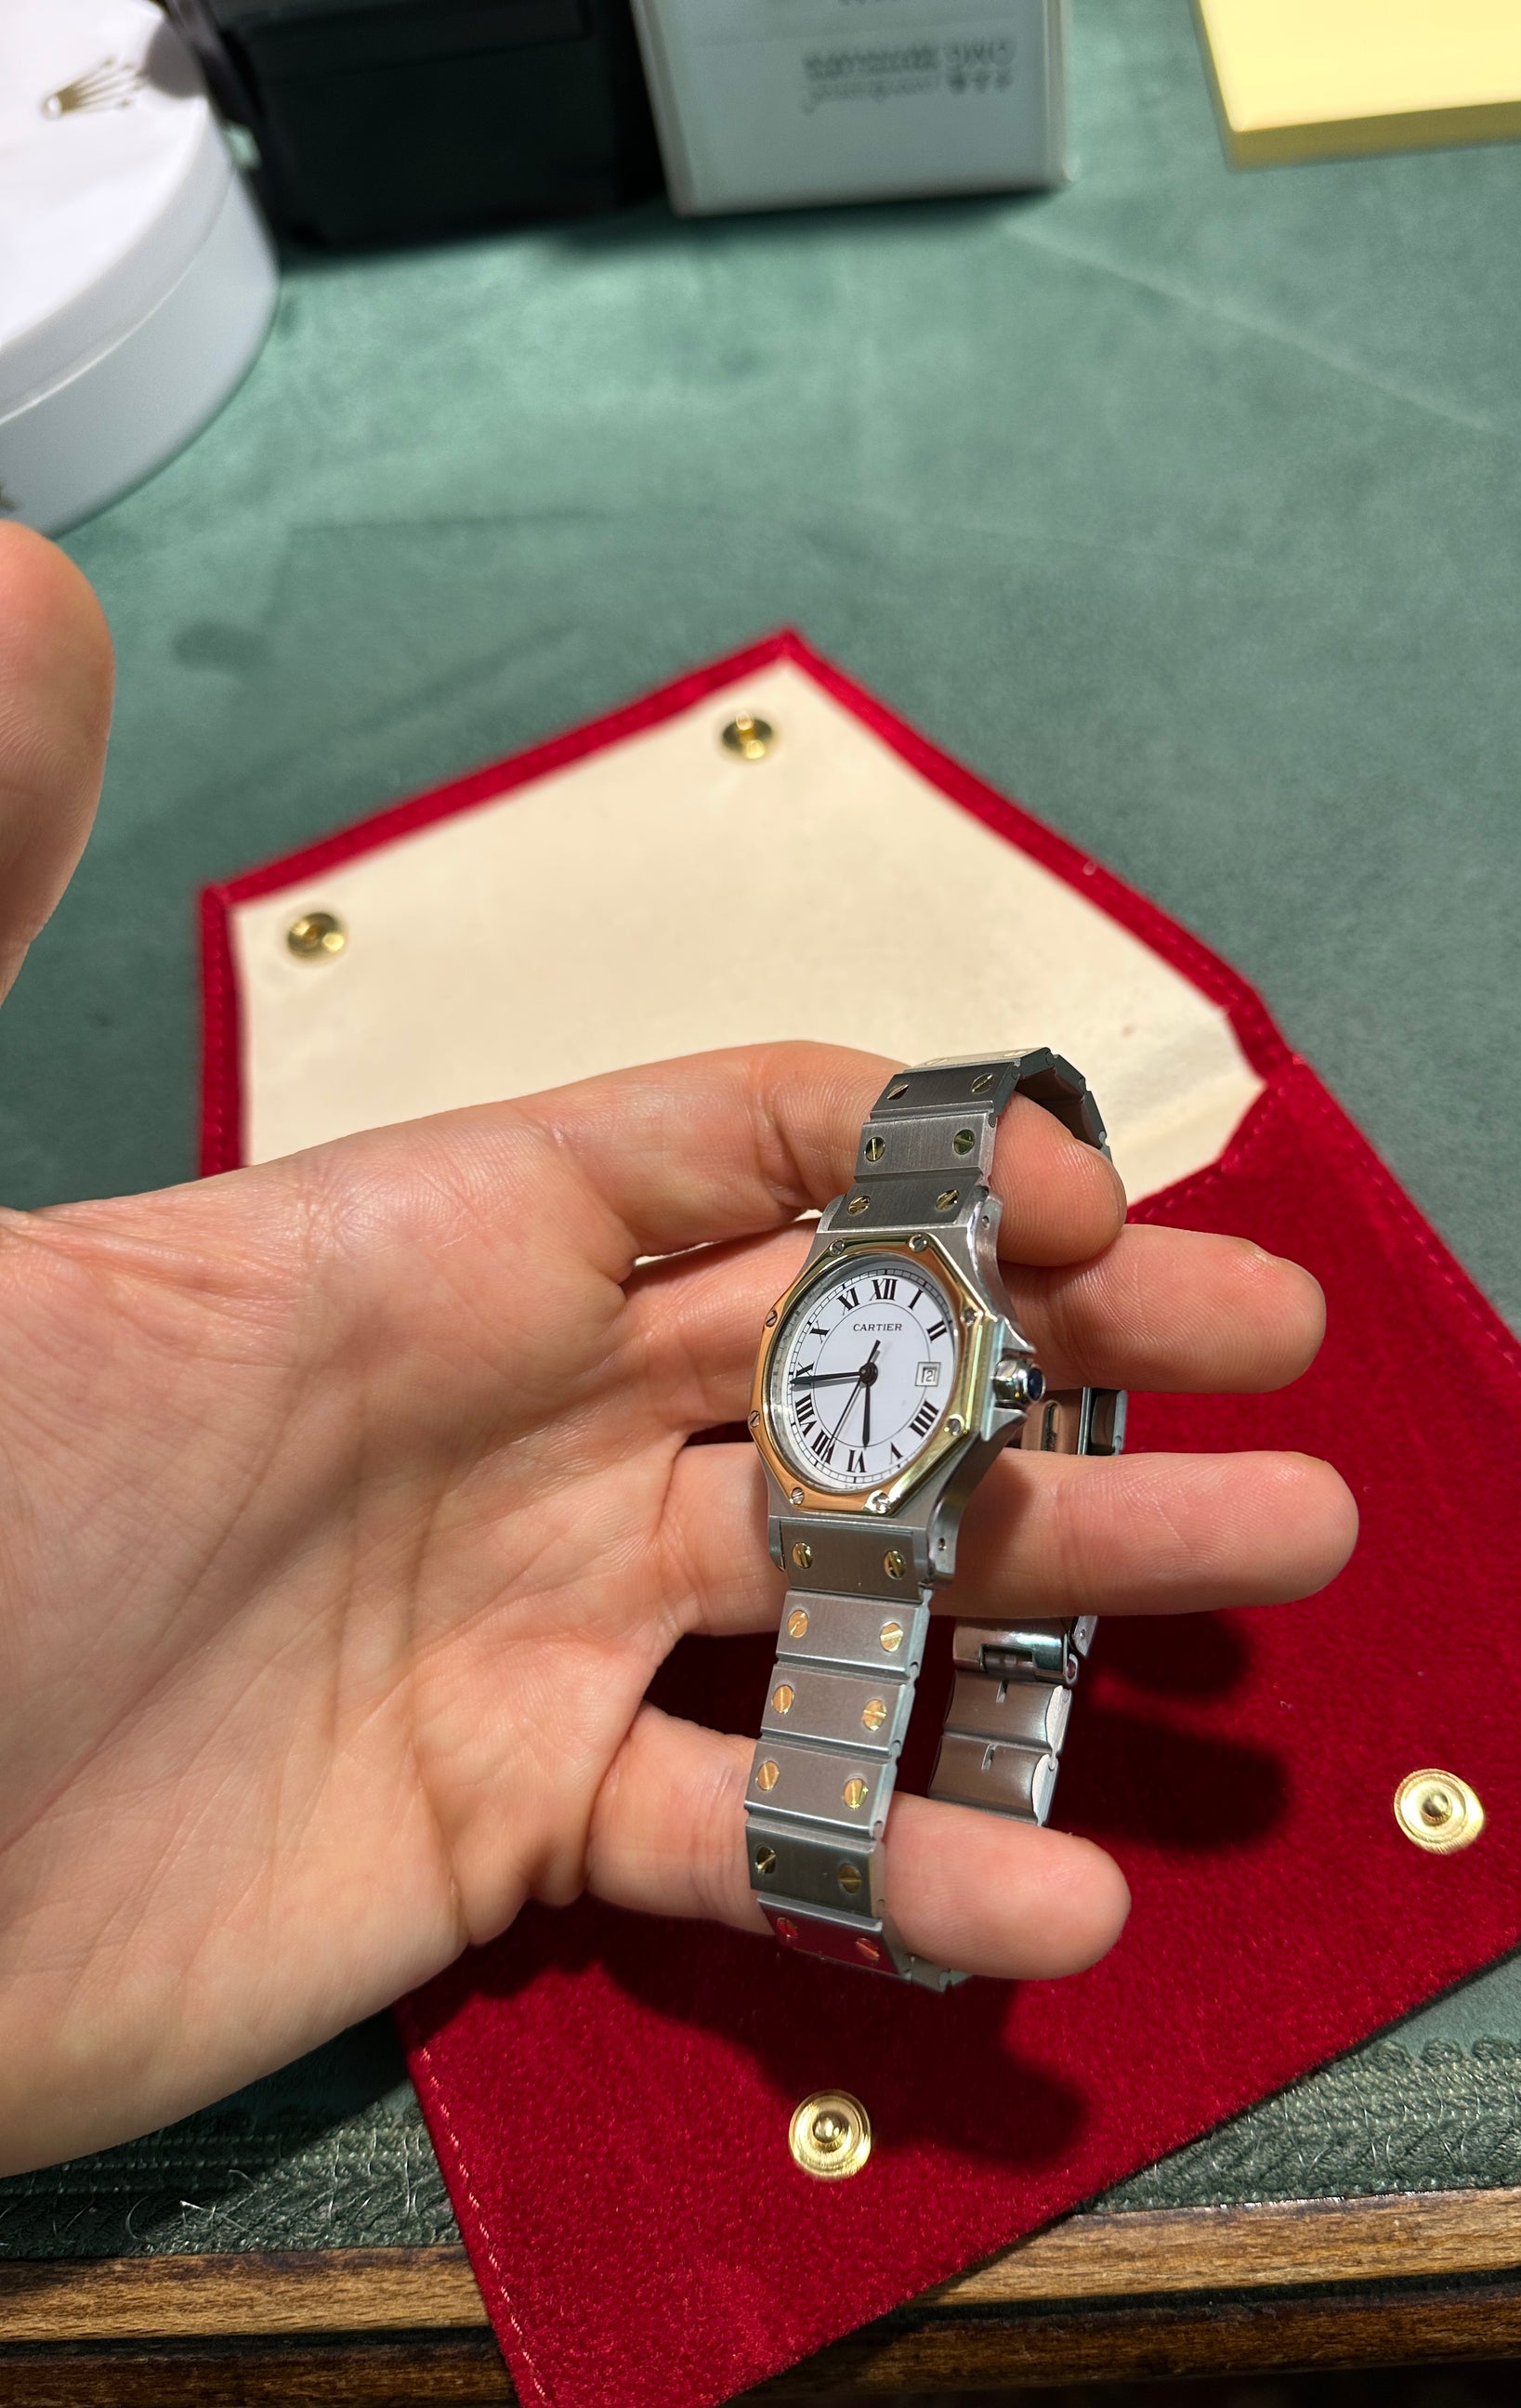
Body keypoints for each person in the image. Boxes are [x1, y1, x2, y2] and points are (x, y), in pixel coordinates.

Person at [0, 524, 1357, 2179]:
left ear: (995, 1396)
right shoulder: (831, 1363)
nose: (863, 1373)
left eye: (919, 1376)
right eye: (842, 1361)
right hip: (822, 1496)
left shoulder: (919, 1367)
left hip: (852, 1503)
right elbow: (831, 1369)